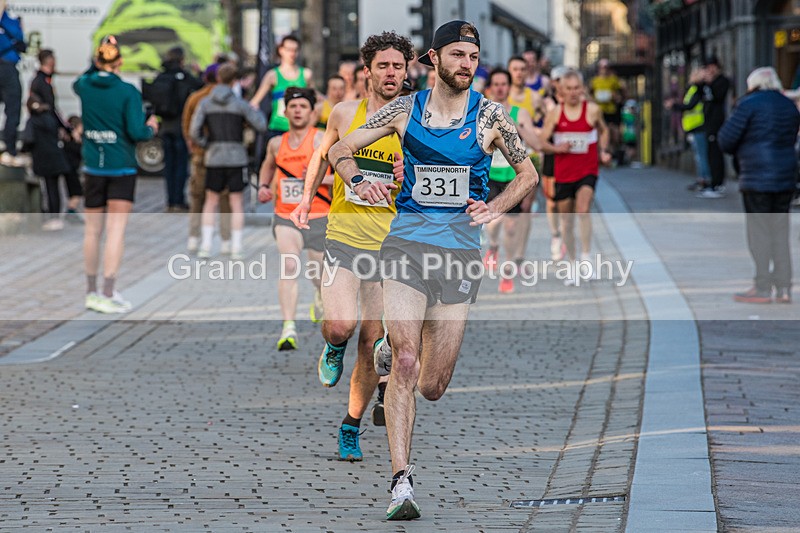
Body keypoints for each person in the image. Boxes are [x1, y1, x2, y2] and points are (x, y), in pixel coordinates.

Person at [328, 20, 537, 520]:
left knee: (432, 385)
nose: (468, 64)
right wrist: (359, 179)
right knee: (405, 362)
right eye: (459, 55)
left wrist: (496, 207)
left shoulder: (491, 116)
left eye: (474, 56)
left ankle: (393, 347)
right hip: (404, 247)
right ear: (434, 59)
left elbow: (528, 173)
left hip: (459, 257)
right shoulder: (406, 108)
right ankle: (401, 482)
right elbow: (339, 148)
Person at [291, 31, 414, 462]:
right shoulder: (345, 112)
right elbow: (322, 156)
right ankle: (331, 346)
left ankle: (350, 425)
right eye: (383, 65)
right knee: (341, 326)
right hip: (344, 235)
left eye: (398, 66)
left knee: (372, 341)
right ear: (368, 71)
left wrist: (407, 173)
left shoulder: (414, 122)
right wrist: (307, 199)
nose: (391, 73)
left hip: (390, 245)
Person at [74, 35, 159, 313]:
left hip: (93, 165)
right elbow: (136, 132)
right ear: (119, 61)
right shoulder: (128, 92)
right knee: (116, 231)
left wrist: (98, 53)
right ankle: (108, 291)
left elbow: (83, 76)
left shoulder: (85, 86)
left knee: (92, 231)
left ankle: (90, 291)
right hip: (121, 165)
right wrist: (151, 128)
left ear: (97, 60)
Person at [718, 67, 800, 304]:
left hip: (756, 177)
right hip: (785, 176)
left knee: (759, 233)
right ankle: (784, 288)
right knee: (780, 232)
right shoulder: (788, 106)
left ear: (753, 85)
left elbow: (726, 139)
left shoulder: (748, 104)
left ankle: (762, 286)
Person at [483, 68, 568, 293]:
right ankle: (492, 245)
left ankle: (507, 271)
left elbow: (535, 142)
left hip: (514, 177)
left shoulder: (520, 114)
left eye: (504, 84)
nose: (500, 88)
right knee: (493, 223)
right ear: (490, 88)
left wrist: (518, 130)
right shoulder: (481, 113)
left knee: (511, 227)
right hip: (490, 175)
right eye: (497, 84)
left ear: (509, 88)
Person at [258, 87, 330, 347]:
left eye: (303, 107)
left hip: (319, 216)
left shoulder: (320, 139)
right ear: (285, 111)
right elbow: (267, 166)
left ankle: (321, 297)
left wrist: (312, 179)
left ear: (312, 112)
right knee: (289, 264)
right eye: (293, 106)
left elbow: (339, 176)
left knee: (319, 274)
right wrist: (264, 186)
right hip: (286, 216)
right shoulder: (276, 143)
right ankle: (288, 327)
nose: (298, 111)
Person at [540, 69, 612, 285]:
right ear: (561, 90)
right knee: (567, 222)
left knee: (583, 209)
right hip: (564, 173)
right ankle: (571, 264)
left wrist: (603, 150)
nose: (573, 93)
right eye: (568, 89)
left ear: (582, 89)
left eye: (576, 88)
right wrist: (556, 147)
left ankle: (586, 259)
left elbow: (604, 130)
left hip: (587, 170)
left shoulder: (592, 110)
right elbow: (542, 142)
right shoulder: (555, 114)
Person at [190, 63, 267, 259]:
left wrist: (206, 143)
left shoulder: (206, 103)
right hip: (236, 156)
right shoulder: (240, 104)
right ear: (235, 81)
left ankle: (206, 245)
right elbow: (261, 125)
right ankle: (236, 247)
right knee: (236, 202)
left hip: (213, 156)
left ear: (217, 79)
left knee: (211, 201)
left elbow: (194, 130)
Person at [182, 62, 233, 254]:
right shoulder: (230, 98)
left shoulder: (196, 98)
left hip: (202, 155)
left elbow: (187, 128)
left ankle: (194, 238)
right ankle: (227, 240)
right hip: (226, 156)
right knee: (226, 199)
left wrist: (198, 146)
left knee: (198, 198)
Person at [29, 49, 82, 227]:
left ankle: (55, 215)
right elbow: (53, 109)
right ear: (49, 61)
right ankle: (54, 216)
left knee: (52, 179)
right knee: (52, 179)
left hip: (47, 139)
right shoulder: (42, 83)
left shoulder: (41, 81)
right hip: (47, 141)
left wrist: (64, 127)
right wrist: (65, 127)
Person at [152, 46, 203, 212]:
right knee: (181, 165)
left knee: (169, 166)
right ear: (182, 60)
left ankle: (170, 200)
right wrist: (199, 72)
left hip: (165, 127)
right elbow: (201, 87)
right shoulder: (185, 77)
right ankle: (179, 201)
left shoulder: (161, 76)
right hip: (180, 127)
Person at [250, 35, 314, 139]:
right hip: (278, 128)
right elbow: (254, 102)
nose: (292, 54)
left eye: (295, 50)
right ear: (281, 50)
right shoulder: (272, 75)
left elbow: (316, 99)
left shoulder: (306, 75)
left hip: (301, 129)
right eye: (289, 50)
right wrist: (260, 124)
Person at [540, 66, 570, 262]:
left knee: (567, 200)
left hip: (570, 154)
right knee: (551, 200)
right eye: (557, 80)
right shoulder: (545, 101)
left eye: (564, 80)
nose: (560, 83)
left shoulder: (576, 99)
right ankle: (555, 235)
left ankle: (567, 234)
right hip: (552, 152)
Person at [697, 55, 731, 199]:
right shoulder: (705, 83)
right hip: (707, 121)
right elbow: (699, 96)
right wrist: (699, 82)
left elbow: (717, 96)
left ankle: (717, 183)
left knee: (716, 152)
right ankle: (712, 182)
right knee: (709, 152)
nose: (709, 70)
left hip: (717, 121)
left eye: (711, 67)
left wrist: (709, 83)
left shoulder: (722, 81)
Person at [672, 67, 710, 191]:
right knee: (698, 155)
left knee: (701, 155)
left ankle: (704, 180)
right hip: (693, 127)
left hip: (699, 126)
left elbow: (690, 106)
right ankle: (701, 179)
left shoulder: (698, 89)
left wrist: (674, 105)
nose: (691, 76)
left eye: (695, 74)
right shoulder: (693, 89)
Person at [0, 0, 25, 167]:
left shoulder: (9, 19)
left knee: (12, 110)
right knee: (13, 109)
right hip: (6, 68)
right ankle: (9, 149)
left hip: (7, 66)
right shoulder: (7, 19)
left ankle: (7, 146)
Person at [589, 59, 623, 165]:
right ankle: (603, 155)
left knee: (614, 133)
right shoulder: (594, 81)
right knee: (601, 132)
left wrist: (616, 97)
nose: (604, 69)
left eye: (606, 67)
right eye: (602, 67)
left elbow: (621, 92)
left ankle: (612, 153)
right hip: (600, 111)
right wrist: (593, 100)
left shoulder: (613, 80)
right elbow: (589, 93)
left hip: (612, 110)